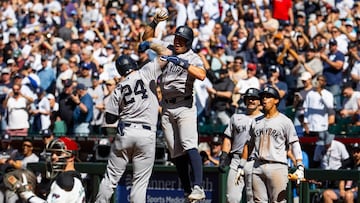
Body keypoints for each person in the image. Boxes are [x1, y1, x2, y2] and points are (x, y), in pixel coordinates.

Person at [143, 11, 207, 201]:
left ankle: (198, 187)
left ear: (189, 42)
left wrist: (184, 64)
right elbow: (147, 38)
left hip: (184, 106)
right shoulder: (168, 48)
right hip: (167, 108)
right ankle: (188, 190)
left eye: (182, 39)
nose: (178, 41)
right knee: (174, 151)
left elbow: (202, 75)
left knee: (189, 144)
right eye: (177, 37)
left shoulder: (192, 57)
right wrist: (154, 21)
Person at [95, 52, 168, 202]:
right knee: (140, 182)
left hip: (125, 131)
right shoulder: (146, 71)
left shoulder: (118, 88)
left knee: (110, 178)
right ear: (133, 64)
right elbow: (166, 56)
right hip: (146, 133)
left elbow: (110, 118)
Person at [236, 86, 304, 202]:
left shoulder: (285, 121)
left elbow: (294, 143)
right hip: (257, 165)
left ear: (276, 100)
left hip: (277, 166)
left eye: (268, 97)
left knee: (278, 201)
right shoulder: (256, 121)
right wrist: (241, 165)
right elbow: (249, 144)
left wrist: (299, 165)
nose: (264, 99)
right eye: (263, 97)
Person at [220, 87, 263, 203]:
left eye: (254, 98)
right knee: (232, 198)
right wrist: (224, 155)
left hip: (255, 161)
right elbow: (228, 138)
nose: (251, 101)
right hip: (236, 160)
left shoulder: (264, 119)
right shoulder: (236, 117)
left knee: (254, 199)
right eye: (248, 98)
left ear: (259, 101)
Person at [16, 137, 86, 203]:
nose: (53, 156)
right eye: (52, 153)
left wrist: (29, 196)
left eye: (58, 153)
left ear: (71, 157)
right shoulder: (76, 178)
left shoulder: (64, 181)